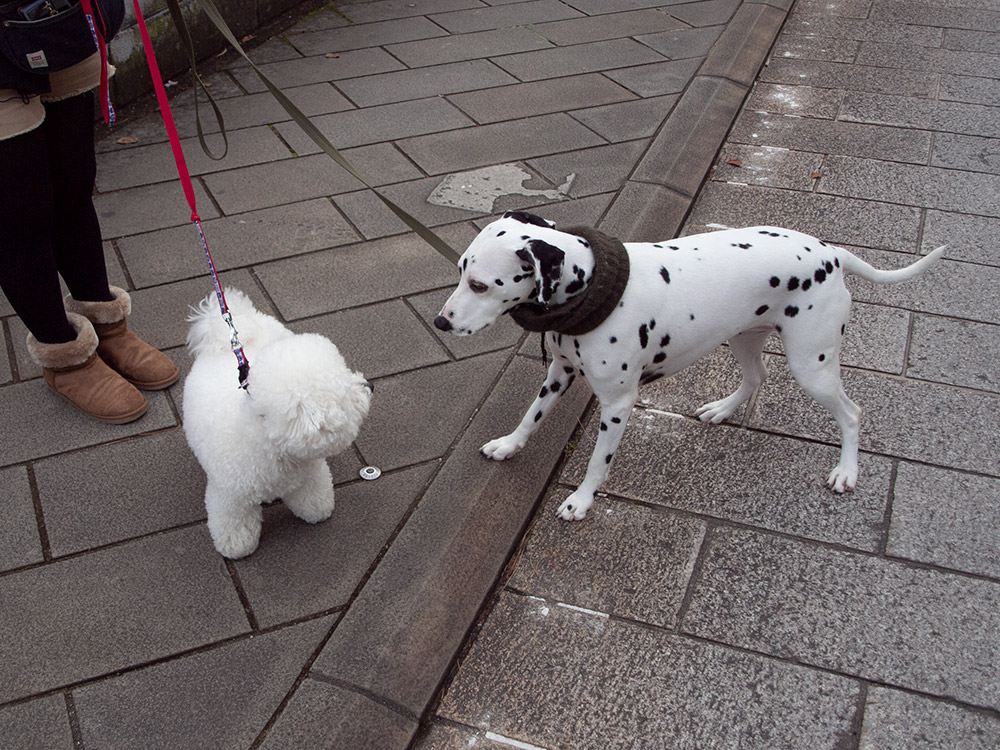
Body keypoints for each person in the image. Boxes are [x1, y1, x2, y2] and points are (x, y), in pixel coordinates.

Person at [0, 47, 179, 424]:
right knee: (20, 212)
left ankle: (106, 325)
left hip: (48, 25)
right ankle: (65, 359)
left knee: (74, 183)